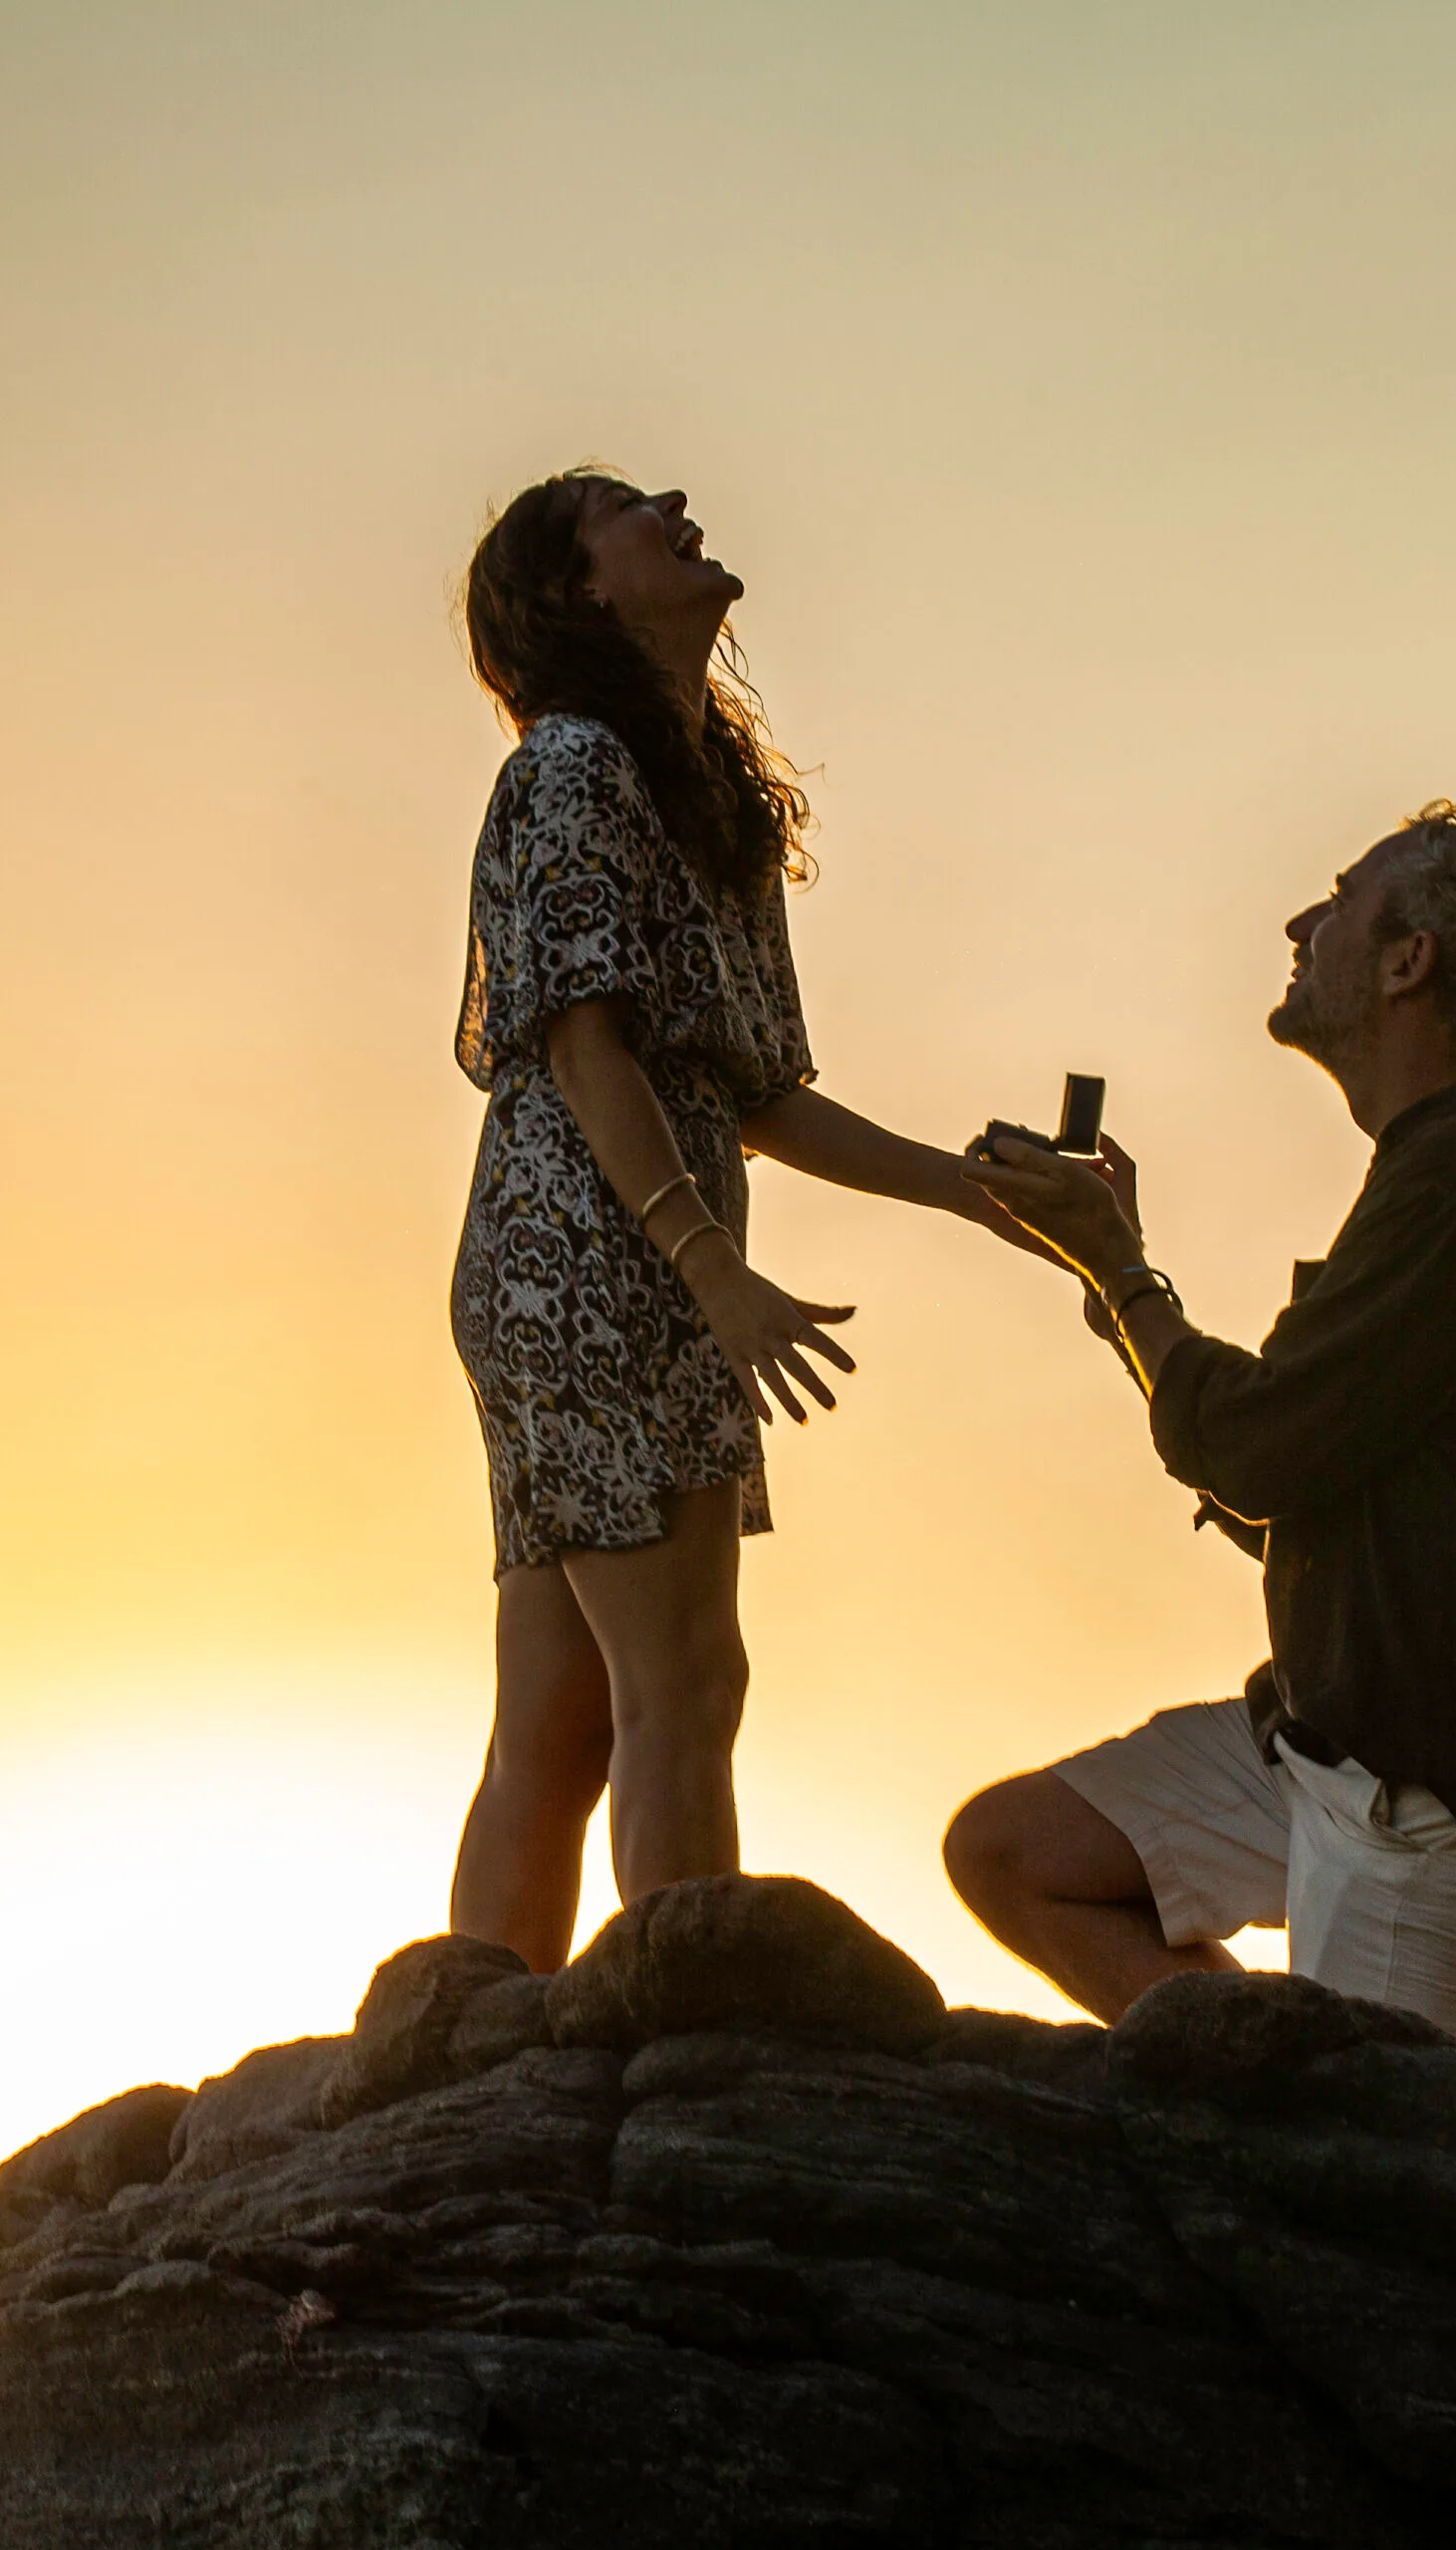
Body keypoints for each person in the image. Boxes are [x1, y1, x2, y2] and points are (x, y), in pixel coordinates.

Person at [447, 466, 1029, 1972]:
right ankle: (681, 2039)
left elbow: (758, 1091)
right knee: (686, 1684)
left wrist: (976, 1196)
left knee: (570, 1718)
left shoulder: (707, 801)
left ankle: (478, 2051)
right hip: (595, 1248)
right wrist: (712, 1271)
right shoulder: (573, 766)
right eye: (631, 508)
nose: (679, 502)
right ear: (577, 593)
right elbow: (584, 1042)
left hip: (620, 1240)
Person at [947, 805, 1456, 2051]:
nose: (1298, 924)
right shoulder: (1451, 1169)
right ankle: (1255, 2079)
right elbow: (1285, 1466)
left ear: (1404, 960)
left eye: (1338, 900)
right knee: (1012, 1855)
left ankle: (1282, 2103)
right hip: (1324, 1740)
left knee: (1376, 2198)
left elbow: (1254, 1452)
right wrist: (1115, 1282)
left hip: (1425, 1796)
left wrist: (1121, 1274)